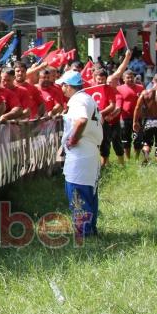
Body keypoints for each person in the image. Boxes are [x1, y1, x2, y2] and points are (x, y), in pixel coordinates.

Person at [56, 70, 103, 238]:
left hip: (81, 155)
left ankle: (83, 233)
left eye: (62, 85)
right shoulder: (88, 98)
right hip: (89, 152)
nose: (61, 89)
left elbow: (81, 120)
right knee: (89, 193)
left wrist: (72, 139)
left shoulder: (77, 101)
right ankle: (90, 229)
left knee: (78, 194)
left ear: (68, 86)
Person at [91, 68, 123, 167]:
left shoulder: (109, 89)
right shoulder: (90, 88)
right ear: (95, 78)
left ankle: (104, 164)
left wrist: (100, 113)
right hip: (91, 121)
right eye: (98, 79)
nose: (100, 81)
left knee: (105, 142)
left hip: (103, 121)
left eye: (102, 79)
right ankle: (93, 164)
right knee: (91, 142)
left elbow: (112, 105)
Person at [116, 70, 144, 160]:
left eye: (132, 77)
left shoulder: (141, 88)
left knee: (138, 139)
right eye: (128, 77)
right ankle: (127, 158)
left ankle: (136, 158)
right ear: (123, 79)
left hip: (137, 118)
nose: (130, 79)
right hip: (124, 118)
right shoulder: (119, 89)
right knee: (125, 140)